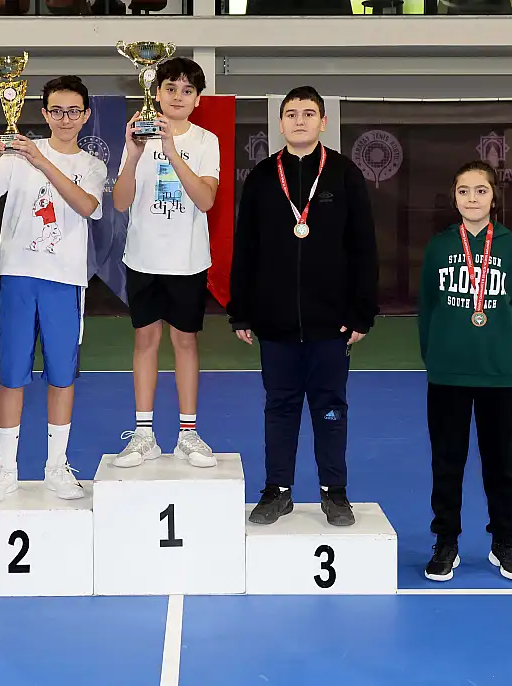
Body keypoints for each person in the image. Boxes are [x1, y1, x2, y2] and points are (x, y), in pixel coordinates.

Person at [227, 85, 378, 527]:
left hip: (331, 323)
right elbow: (245, 247)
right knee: (280, 407)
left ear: (323, 122)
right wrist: (241, 309)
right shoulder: (261, 177)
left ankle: (335, 492)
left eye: (308, 113)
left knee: (330, 407)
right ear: (280, 123)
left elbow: (364, 247)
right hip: (274, 323)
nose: (299, 120)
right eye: (291, 113)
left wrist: (361, 311)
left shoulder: (345, 174)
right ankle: (277, 490)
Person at [0, 76, 108, 504]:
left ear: (85, 115)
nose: (65, 118)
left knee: (62, 376)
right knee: (11, 374)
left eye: (73, 111)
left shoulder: (92, 165)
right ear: (44, 114)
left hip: (65, 282)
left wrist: (43, 162)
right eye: (56, 110)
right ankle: (5, 468)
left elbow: (88, 206)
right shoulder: (17, 155)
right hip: (18, 276)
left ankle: (56, 467)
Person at [418, 160, 512, 582]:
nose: (472, 198)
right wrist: (436, 357)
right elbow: (427, 307)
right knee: (447, 462)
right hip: (448, 373)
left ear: (494, 197)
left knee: (501, 464)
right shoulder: (439, 246)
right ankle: (446, 541)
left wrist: (506, 353)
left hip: (498, 374)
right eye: (463, 191)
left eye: (480, 190)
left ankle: (504, 542)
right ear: (454, 197)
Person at [111, 57, 220, 469]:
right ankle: (144, 435)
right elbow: (120, 202)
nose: (178, 96)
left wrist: (172, 151)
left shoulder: (206, 141)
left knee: (185, 342)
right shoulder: (138, 136)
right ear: (155, 93)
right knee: (145, 342)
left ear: (197, 99)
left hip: (188, 261)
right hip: (143, 258)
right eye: (170, 88)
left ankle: (188, 433)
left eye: (187, 90)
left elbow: (206, 200)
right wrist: (134, 154)